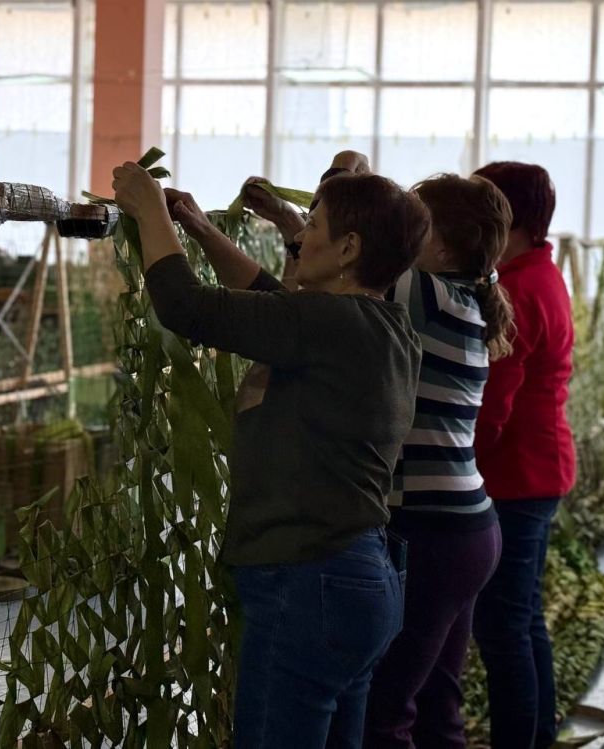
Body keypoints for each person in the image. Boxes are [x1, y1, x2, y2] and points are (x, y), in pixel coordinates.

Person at [111, 160, 429, 749]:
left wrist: (150, 209)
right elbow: (270, 299)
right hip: (360, 579)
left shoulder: (330, 323)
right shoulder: (383, 325)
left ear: (349, 248)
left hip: (311, 582)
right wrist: (201, 231)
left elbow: (187, 307)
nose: (300, 236)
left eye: (313, 225)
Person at [361, 174, 514, 748]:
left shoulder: (419, 292)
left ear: (444, 248)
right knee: (435, 706)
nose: (401, 233)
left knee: (385, 710)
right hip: (468, 528)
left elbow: (342, 262)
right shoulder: (468, 297)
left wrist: (344, 178)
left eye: (415, 222)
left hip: (430, 531)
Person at [471, 161, 576, 749]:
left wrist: (457, 463)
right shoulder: (536, 273)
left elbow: (494, 400)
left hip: (516, 473)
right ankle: (537, 732)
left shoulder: (517, 288)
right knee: (521, 615)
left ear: (503, 214)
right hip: (536, 467)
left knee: (503, 624)